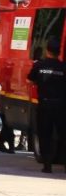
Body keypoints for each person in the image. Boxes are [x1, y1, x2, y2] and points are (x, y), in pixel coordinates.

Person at [27, 37, 66, 173]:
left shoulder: (39, 65)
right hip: (61, 106)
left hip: (45, 105)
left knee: (45, 135)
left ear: (47, 51)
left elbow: (29, 80)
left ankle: (47, 165)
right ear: (59, 52)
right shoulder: (63, 67)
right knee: (63, 135)